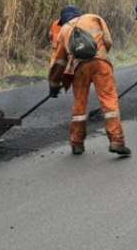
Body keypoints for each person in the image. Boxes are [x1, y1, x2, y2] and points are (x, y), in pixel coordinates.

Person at [48, 11, 130, 156]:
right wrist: (101, 55)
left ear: (64, 19)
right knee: (109, 101)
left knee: (79, 105)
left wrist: (54, 85)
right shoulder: (94, 18)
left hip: (79, 68)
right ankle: (117, 141)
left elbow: (59, 62)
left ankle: (77, 143)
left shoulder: (64, 30)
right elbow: (108, 41)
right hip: (101, 64)